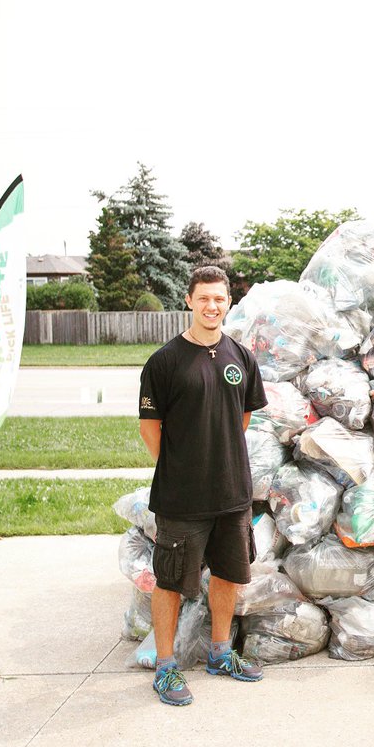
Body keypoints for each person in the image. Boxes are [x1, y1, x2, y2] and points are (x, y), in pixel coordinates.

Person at [138, 265, 268, 706]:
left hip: (232, 493)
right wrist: (179, 468)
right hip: (181, 498)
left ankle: (219, 654)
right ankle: (166, 667)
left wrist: (219, 462)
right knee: (170, 581)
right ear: (189, 301)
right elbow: (150, 428)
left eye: (220, 298)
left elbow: (242, 419)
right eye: (204, 298)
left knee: (229, 576)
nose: (212, 306)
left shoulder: (241, 357)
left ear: (228, 302)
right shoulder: (165, 361)